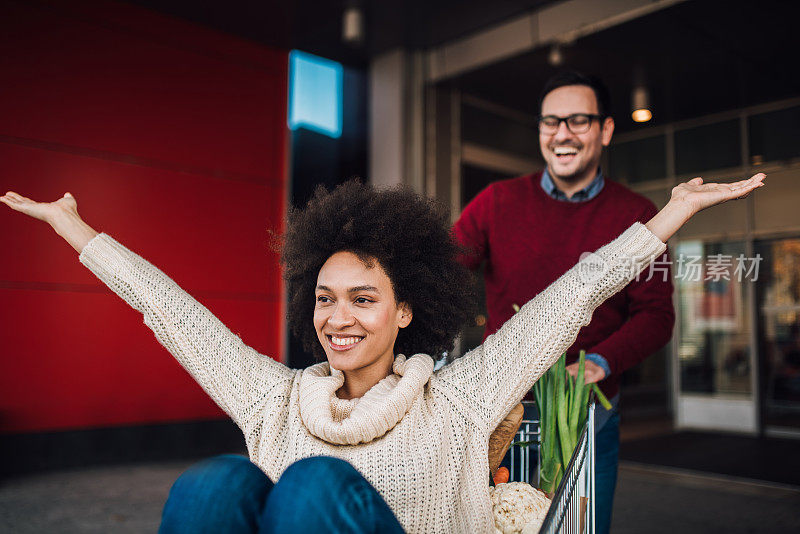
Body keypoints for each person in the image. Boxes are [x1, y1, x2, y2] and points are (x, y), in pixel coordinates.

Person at [0, 172, 764, 533]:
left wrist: (673, 214)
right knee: (215, 485)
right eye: (325, 299)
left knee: (309, 490)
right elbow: (173, 314)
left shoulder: (461, 397)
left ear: (406, 311)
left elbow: (574, 298)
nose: (338, 318)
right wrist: (75, 229)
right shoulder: (276, 399)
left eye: (363, 300)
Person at [454, 71, 674, 533]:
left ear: (606, 130)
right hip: (504, 407)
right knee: (493, 523)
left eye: (578, 120)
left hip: (587, 410)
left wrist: (599, 362)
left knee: (580, 526)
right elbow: (442, 276)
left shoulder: (636, 215)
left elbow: (656, 316)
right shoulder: (496, 203)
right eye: (551, 122)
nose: (562, 134)